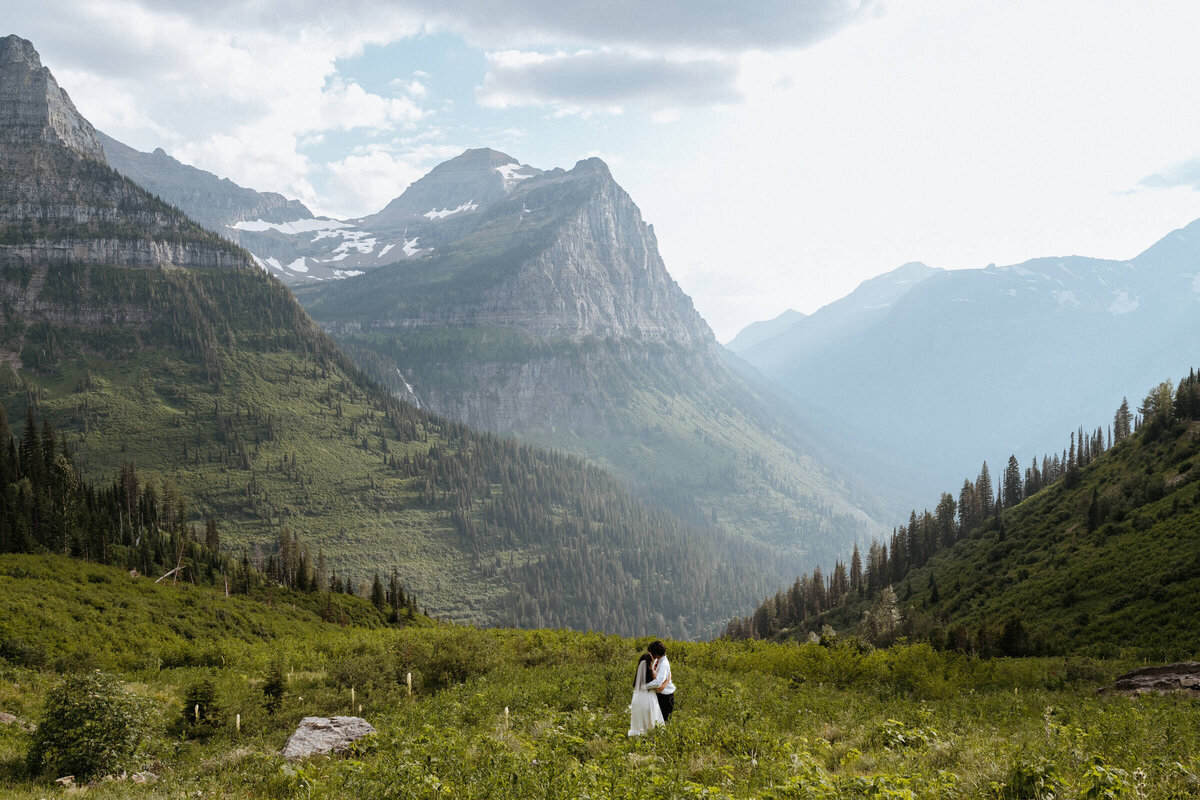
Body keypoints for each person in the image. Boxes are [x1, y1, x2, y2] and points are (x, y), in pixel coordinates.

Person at [628, 652, 664, 736]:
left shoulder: (638, 675)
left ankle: (638, 734)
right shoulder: (653, 673)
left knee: (639, 719)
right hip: (649, 698)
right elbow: (658, 687)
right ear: (650, 662)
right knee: (651, 719)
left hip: (637, 699)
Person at [642, 640, 675, 723]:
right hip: (659, 694)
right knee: (656, 719)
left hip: (666, 696)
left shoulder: (664, 664)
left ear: (656, 653)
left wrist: (644, 686)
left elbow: (658, 683)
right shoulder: (657, 660)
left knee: (664, 720)